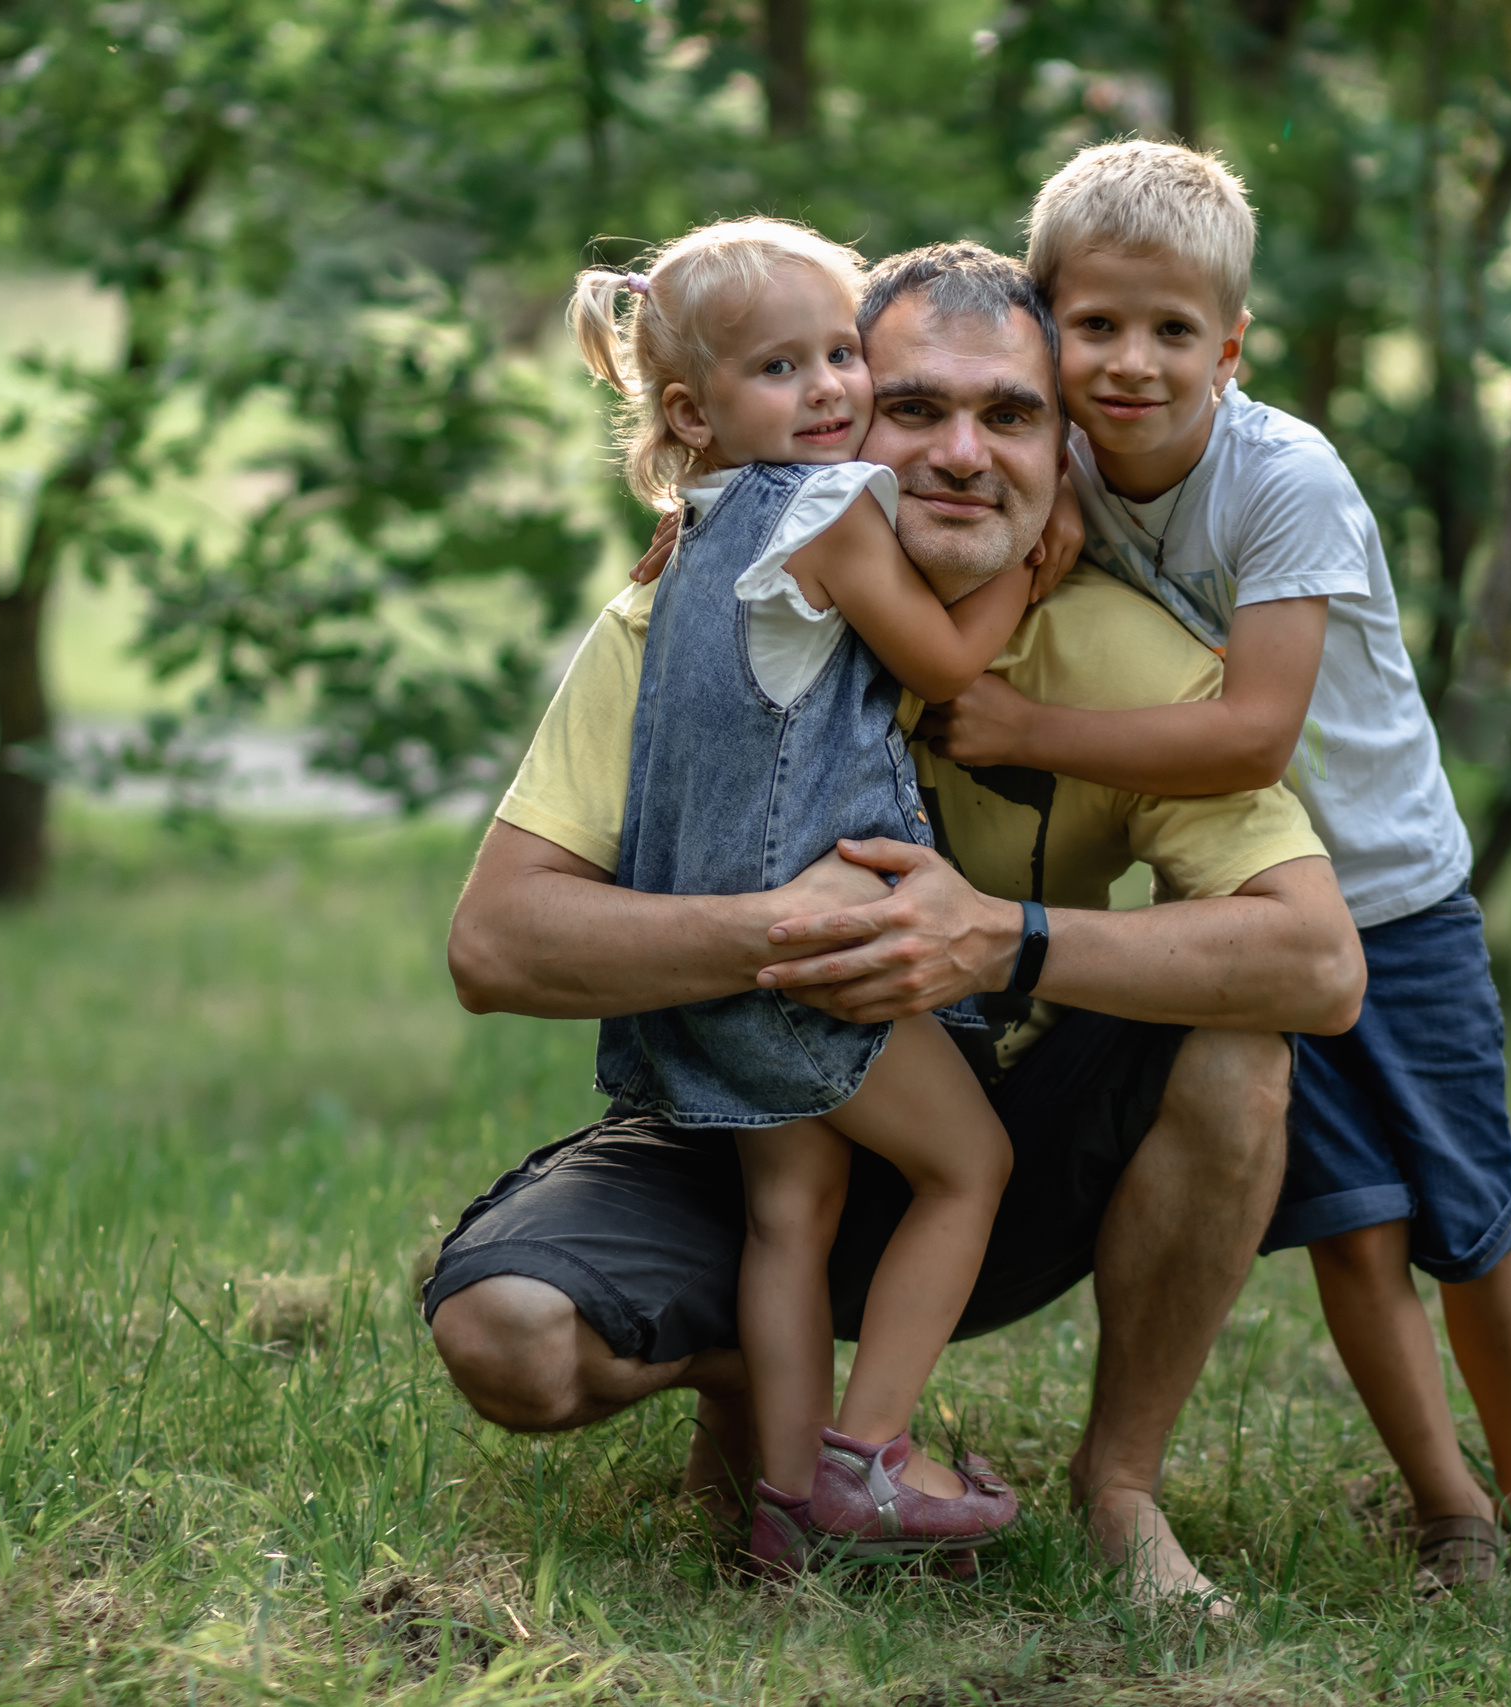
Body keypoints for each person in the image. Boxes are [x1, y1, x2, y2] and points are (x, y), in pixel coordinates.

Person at [425, 241, 1366, 1608]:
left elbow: (1318, 962)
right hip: (735, 1101)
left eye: (1012, 415)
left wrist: (1001, 938)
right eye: (913, 408)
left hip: (1000, 1122)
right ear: (845, 420)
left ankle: (1119, 1490)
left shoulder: (1113, 650)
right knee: (512, 1336)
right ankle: (772, 1429)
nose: (963, 456)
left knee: (1238, 1049)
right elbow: (495, 946)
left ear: (1067, 449)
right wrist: (786, 932)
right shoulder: (676, 612)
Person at [926, 139, 1511, 1594]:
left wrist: (1025, 724)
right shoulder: (1057, 461)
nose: (1131, 363)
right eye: (1094, 325)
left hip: (1391, 900)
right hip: (1239, 909)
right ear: (1044, 322)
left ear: (1230, 346)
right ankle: (1451, 1517)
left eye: (1174, 333)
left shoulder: (1284, 479)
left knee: (1464, 1223)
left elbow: (1251, 734)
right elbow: (878, 396)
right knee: (1349, 1230)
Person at [563, 217, 1030, 1570]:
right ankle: (866, 1453)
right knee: (970, 1164)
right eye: (784, 369)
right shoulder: (827, 513)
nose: (830, 389)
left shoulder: (693, 530)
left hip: (708, 970)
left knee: (791, 1216)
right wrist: (1034, 556)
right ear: (696, 412)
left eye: (841, 354)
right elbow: (943, 663)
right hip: (809, 950)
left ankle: (779, 1517)